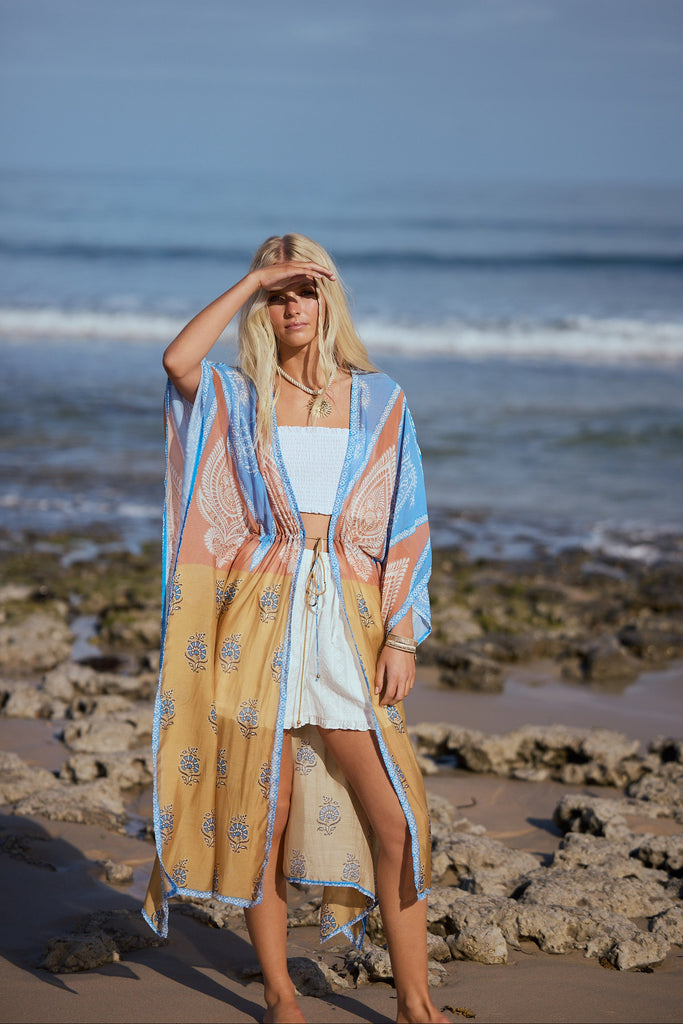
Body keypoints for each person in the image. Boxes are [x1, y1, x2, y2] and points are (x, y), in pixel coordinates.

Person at [142, 233, 448, 1024]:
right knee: (264, 816)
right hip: (259, 624)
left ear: (328, 298)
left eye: (304, 289)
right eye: (279, 293)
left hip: (348, 628)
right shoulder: (238, 394)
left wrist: (404, 635)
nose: (292, 306)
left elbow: (405, 522)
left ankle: (416, 1005)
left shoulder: (380, 399)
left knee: (397, 820)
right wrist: (248, 280)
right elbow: (178, 362)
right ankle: (279, 991)